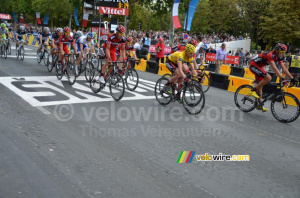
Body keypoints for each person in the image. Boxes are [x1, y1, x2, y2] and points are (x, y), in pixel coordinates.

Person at [249, 43, 298, 112]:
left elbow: (284, 69)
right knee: (268, 78)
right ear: (277, 51)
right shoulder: (271, 55)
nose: (283, 54)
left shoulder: (278, 57)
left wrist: (292, 78)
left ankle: (259, 104)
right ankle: (252, 90)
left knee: (261, 86)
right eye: (282, 52)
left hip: (259, 67)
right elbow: (274, 68)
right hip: (253, 65)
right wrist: (282, 78)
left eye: (284, 53)